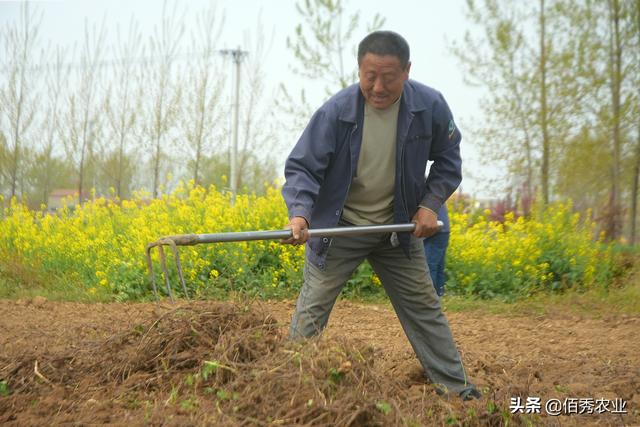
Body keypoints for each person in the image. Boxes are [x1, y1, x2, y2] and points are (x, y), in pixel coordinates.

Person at [280, 31, 480, 400]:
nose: (378, 86)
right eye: (369, 75)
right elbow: (303, 169)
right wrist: (301, 216)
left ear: (407, 71)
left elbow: (449, 160)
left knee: (424, 307)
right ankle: (284, 388)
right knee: (311, 311)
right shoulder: (336, 112)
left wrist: (429, 204)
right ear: (359, 69)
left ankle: (456, 390)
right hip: (340, 229)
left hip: (396, 228)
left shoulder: (429, 106)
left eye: (388, 77)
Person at [424, 204, 450, 297]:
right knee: (438, 266)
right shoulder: (436, 191)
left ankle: (429, 298)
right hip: (442, 227)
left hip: (434, 228)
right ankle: (437, 296)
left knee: (429, 267)